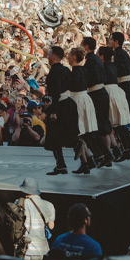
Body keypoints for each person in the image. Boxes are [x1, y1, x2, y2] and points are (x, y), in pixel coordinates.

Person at [44, 46, 79, 175]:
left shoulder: (54, 72)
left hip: (60, 106)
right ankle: (84, 159)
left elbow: (56, 91)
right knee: (69, 133)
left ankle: (61, 165)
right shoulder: (65, 70)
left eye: (49, 55)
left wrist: (54, 111)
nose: (47, 57)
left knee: (54, 137)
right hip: (68, 103)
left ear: (53, 57)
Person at [82, 37, 114, 166]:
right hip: (100, 92)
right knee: (103, 124)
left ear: (87, 46)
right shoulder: (95, 59)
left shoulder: (91, 60)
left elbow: (90, 78)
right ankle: (107, 155)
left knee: (99, 126)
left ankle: (105, 154)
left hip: (96, 94)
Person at [67, 47, 98, 173]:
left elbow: (71, 86)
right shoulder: (83, 69)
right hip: (85, 98)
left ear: (74, 57)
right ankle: (88, 159)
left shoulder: (75, 71)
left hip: (78, 100)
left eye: (69, 54)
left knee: (77, 133)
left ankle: (85, 162)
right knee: (81, 134)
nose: (67, 56)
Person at [18, 177, 56, 260]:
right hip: (42, 249)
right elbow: (51, 226)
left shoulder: (19, 203)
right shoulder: (49, 205)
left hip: (25, 248)